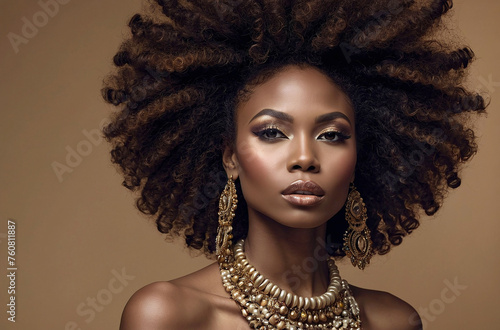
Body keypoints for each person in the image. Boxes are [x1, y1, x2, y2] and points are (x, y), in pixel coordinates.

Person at [101, 0, 486, 329]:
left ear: (358, 162)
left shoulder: (394, 321)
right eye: (272, 132)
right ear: (229, 156)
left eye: (332, 135)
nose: (304, 158)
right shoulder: (168, 315)